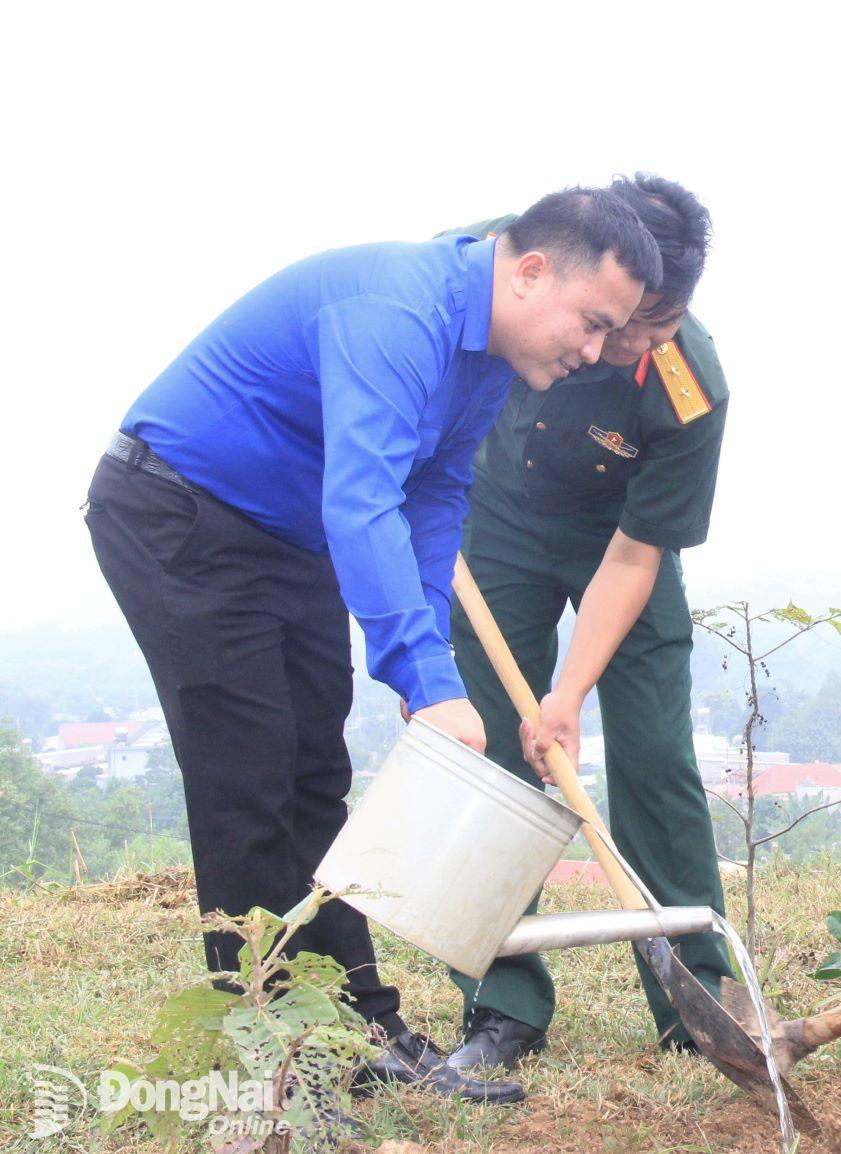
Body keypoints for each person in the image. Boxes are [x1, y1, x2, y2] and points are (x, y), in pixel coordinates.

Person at [84, 186, 662, 1106]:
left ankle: (363, 1025)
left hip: (286, 534)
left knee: (317, 776)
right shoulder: (399, 308)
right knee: (251, 780)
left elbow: (430, 504)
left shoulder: (489, 363)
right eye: (592, 324)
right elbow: (360, 498)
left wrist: (423, 660)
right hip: (179, 512)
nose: (594, 352)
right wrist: (426, 680)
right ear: (532, 271)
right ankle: (269, 1062)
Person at [436, 174, 732, 1071]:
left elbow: (636, 556)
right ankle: (502, 1004)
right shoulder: (495, 264)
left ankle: (698, 1006)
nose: (633, 341)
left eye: (660, 319)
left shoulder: (687, 388)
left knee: (654, 757)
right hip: (496, 522)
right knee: (493, 754)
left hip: (621, 540)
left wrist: (567, 693)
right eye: (621, 318)